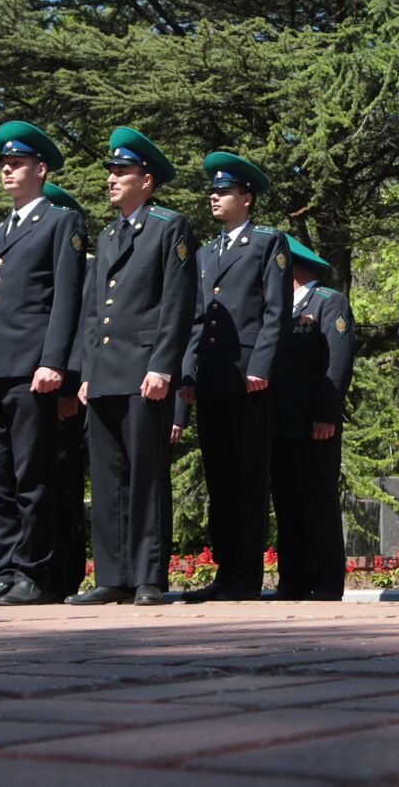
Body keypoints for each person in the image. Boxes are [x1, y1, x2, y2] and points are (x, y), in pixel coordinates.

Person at [0, 121, 86, 606]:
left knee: (33, 476)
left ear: (40, 170)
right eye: (3, 165)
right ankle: (6, 570)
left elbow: (66, 297)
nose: (7, 170)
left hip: (32, 366)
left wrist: (55, 361)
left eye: (16, 164)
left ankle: (37, 572)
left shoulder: (59, 221)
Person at [68, 129, 197, 606]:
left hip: (145, 369)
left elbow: (177, 302)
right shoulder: (107, 235)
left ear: (146, 179)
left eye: (121, 172)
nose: (111, 179)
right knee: (106, 477)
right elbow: (92, 309)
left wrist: (164, 365)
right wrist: (85, 371)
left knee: (144, 474)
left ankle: (147, 575)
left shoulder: (168, 226)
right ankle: (112, 575)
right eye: (111, 171)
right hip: (104, 371)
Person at [178, 152, 291, 602]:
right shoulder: (206, 252)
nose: (215, 196)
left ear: (247, 197)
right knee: (219, 476)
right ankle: (225, 571)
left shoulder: (267, 242)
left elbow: (275, 312)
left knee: (247, 476)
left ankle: (245, 574)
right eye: (213, 190)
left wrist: (261, 365)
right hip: (212, 375)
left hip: (248, 376)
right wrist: (187, 371)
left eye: (224, 191)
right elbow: (195, 319)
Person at [269, 234, 355, 601]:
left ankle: (325, 582)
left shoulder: (328, 302)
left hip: (315, 424)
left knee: (317, 501)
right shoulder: (279, 309)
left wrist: (326, 415)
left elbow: (337, 363)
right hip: (279, 423)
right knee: (286, 502)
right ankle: (292, 581)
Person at [42, 181, 90, 602]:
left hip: (73, 391)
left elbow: (80, 329)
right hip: (59, 390)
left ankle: (66, 573)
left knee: (66, 484)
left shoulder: (88, 265)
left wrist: (69, 387)